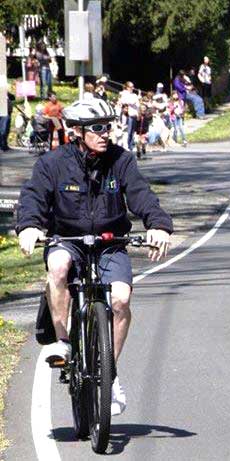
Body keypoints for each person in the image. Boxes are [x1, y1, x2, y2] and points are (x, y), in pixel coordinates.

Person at [16, 98, 173, 415]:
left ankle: (108, 373)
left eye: (109, 126)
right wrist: (29, 227)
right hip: (68, 238)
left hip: (110, 242)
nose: (106, 134)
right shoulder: (53, 163)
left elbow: (142, 195)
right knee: (58, 267)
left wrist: (158, 225)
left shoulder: (122, 160)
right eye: (97, 128)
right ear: (76, 131)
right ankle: (62, 342)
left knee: (120, 299)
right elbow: (33, 197)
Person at [118, 81, 140, 151]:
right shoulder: (124, 93)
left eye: (133, 87)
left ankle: (131, 145)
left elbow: (137, 104)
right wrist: (132, 101)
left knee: (133, 131)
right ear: (127, 87)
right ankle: (127, 145)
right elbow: (125, 101)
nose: (132, 88)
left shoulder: (134, 95)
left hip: (134, 114)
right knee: (128, 131)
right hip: (128, 114)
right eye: (131, 87)